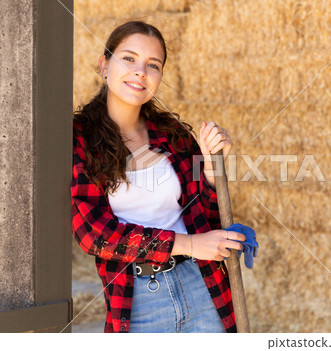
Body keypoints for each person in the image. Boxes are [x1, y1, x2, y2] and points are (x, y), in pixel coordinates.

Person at [71, 21, 251, 333]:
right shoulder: (78, 138)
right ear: (104, 65)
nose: (140, 71)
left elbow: (207, 216)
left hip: (203, 287)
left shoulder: (172, 134)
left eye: (152, 65)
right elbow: (94, 234)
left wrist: (210, 165)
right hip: (137, 298)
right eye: (128, 58)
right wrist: (190, 244)